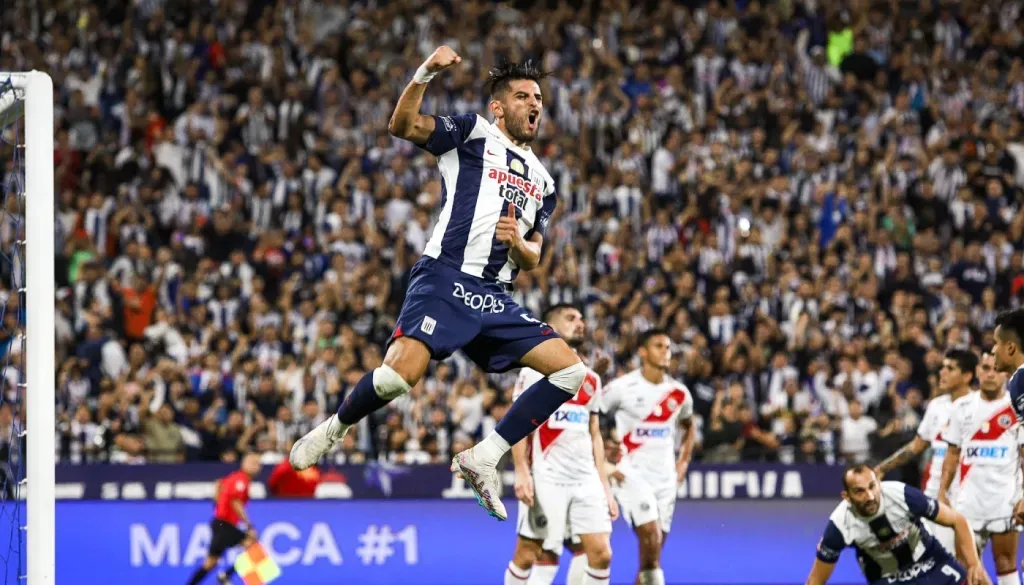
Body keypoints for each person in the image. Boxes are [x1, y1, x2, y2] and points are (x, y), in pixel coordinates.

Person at [289, 46, 589, 522]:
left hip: (494, 296)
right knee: (397, 378)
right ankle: (335, 428)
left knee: (572, 372)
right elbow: (402, 126)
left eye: (538, 98)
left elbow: (534, 254)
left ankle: (483, 457)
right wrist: (426, 71)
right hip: (446, 277)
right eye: (522, 96)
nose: (534, 104)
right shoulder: (472, 133)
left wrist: (518, 248)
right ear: (498, 106)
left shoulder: (545, 182)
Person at [505, 304, 616, 585]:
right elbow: (517, 422)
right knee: (529, 553)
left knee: (601, 554)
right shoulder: (534, 371)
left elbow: (595, 434)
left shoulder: (592, 379)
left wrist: (605, 486)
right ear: (552, 327)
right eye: (571, 318)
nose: (580, 322)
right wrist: (521, 470)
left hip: (585, 479)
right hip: (547, 479)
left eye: (581, 318)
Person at [600, 330, 695, 585]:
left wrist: (683, 461)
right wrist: (606, 457)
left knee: (652, 556)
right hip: (630, 473)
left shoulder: (679, 393)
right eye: (658, 346)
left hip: (665, 479)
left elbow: (689, 426)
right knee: (651, 536)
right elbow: (591, 412)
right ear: (642, 351)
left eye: (668, 347)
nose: (666, 351)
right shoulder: (621, 387)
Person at [804, 464, 988, 585]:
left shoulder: (903, 495)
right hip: (887, 578)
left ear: (879, 483)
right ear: (847, 497)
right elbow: (815, 581)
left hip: (931, 561)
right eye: (859, 492)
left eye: (872, 486)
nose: (869, 496)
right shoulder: (839, 525)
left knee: (981, 581)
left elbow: (957, 520)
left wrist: (973, 564)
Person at [875, 349, 978, 554]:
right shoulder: (936, 406)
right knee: (930, 555)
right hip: (933, 493)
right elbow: (917, 445)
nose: (942, 373)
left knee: (963, 559)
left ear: (967, 375)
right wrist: (881, 467)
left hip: (964, 494)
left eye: (950, 368)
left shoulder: (978, 406)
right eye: (942, 367)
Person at [940, 349, 1019, 585]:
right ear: (977, 372)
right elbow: (952, 454)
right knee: (964, 566)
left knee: (1006, 563)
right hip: (968, 502)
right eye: (986, 369)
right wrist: (942, 491)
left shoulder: (1017, 406)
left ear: (1005, 374)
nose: (991, 374)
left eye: (996, 369)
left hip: (1005, 499)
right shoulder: (961, 407)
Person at [186, 451, 261, 585]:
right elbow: (235, 502)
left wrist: (218, 504)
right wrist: (249, 526)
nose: (257, 467)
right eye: (253, 463)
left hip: (219, 523)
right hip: (224, 525)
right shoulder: (241, 480)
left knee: (210, 563)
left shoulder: (235, 478)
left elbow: (219, 483)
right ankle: (226, 575)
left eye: (258, 464)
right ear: (244, 463)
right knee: (253, 547)